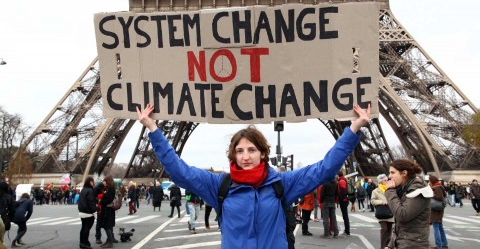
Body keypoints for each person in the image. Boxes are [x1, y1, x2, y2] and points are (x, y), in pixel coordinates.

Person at [137, 103, 370, 248]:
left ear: (262, 153)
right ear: (233, 155)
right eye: (239, 151)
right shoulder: (219, 185)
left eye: (251, 150)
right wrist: (153, 130)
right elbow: (179, 172)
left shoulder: (282, 183)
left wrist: (353, 129)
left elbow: (325, 169)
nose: (245, 156)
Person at [385, 159, 433, 249]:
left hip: (413, 245)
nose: (389, 176)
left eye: (392, 173)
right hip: (407, 243)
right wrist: (391, 245)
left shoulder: (418, 189)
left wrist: (390, 191)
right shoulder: (406, 188)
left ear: (404, 173)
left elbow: (402, 215)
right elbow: (400, 226)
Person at [371, 173, 393, 249]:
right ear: (380, 181)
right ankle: (382, 246)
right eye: (385, 180)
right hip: (382, 212)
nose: (387, 181)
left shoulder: (391, 189)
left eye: (387, 179)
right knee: (384, 229)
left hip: (390, 212)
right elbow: (373, 201)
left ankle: (387, 246)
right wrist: (381, 202)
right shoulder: (375, 191)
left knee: (389, 230)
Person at [428, 175, 448, 249]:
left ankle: (439, 245)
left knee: (436, 227)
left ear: (432, 181)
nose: (429, 182)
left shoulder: (437, 187)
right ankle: (444, 244)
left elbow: (439, 197)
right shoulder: (438, 186)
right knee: (440, 227)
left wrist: (431, 194)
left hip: (436, 210)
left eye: (429, 181)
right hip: (438, 209)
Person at [78, 177, 97, 249]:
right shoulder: (90, 190)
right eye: (93, 181)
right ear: (90, 182)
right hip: (88, 213)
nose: (93, 183)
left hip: (82, 212)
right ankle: (85, 243)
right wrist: (95, 211)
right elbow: (91, 202)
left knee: (83, 228)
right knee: (87, 229)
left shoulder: (83, 189)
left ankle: (81, 242)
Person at [98, 176, 116, 248]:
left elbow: (109, 200)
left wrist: (101, 201)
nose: (103, 182)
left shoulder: (110, 189)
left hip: (108, 210)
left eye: (104, 181)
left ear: (108, 181)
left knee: (107, 226)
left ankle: (110, 242)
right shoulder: (109, 189)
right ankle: (108, 240)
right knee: (108, 226)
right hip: (109, 210)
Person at [0, 181, 15, 249]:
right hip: (3, 219)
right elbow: (12, 210)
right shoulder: (8, 197)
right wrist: (9, 218)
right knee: (1, 237)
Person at [337, 171, 351, 236]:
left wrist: (340, 199)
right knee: (345, 216)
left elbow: (343, 191)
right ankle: (347, 230)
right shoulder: (343, 180)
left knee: (345, 216)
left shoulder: (341, 181)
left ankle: (347, 230)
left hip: (343, 200)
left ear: (338, 175)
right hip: (345, 200)